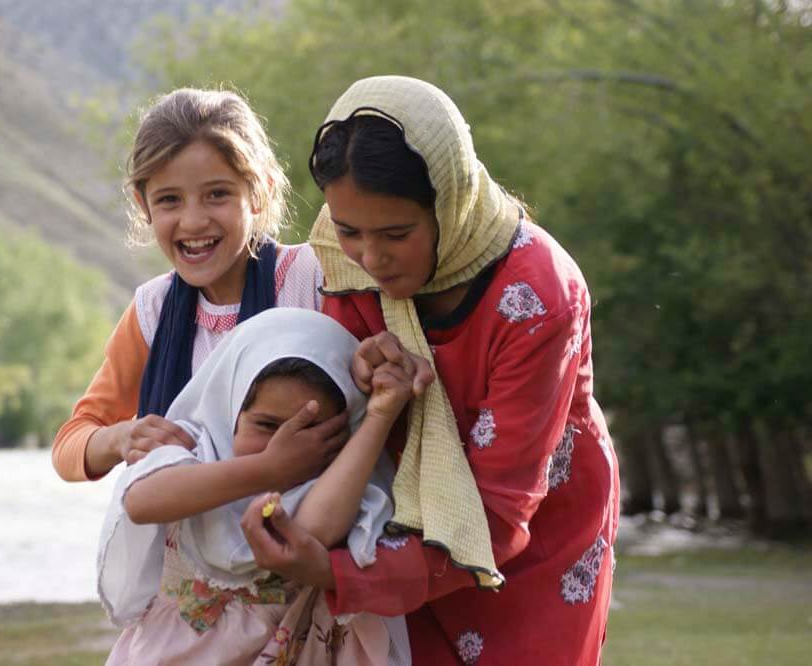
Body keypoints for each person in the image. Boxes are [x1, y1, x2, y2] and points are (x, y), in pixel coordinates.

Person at [240, 76, 621, 665]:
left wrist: (338, 572)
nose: (370, 257)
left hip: (531, 551)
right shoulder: (339, 264)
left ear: (451, 198)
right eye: (350, 230)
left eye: (397, 234)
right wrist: (358, 377)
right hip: (390, 542)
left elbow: (501, 510)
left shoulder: (538, 294)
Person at [97, 308, 418, 665]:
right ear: (231, 407)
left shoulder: (339, 484)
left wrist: (378, 417)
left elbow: (312, 531)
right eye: (266, 424)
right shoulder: (193, 446)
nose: (285, 443)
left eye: (312, 431)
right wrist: (267, 469)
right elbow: (141, 500)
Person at [52, 88, 337, 488]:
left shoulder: (312, 279)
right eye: (169, 200)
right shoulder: (152, 310)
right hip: (188, 549)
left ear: (260, 192)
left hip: (309, 538)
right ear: (143, 205)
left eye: (217, 194)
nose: (193, 221)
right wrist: (122, 437)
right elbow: (69, 446)